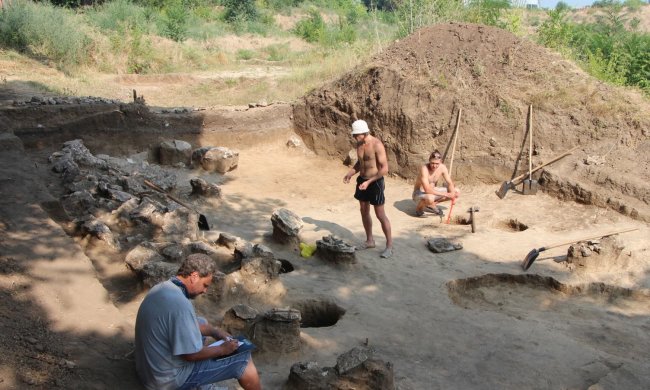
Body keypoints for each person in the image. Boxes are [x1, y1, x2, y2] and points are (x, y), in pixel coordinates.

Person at [135, 253, 262, 390]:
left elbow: (188, 325)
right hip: (166, 380)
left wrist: (215, 331)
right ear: (194, 276)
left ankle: (203, 385)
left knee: (201, 321)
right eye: (205, 285)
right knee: (243, 360)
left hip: (148, 370)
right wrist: (222, 349)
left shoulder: (163, 288)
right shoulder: (181, 306)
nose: (205, 290)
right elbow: (191, 355)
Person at [343, 119, 393, 258]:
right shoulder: (358, 144)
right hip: (362, 180)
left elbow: (384, 169)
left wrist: (370, 181)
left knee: (380, 214)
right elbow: (360, 163)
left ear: (364, 133)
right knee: (364, 211)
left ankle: (389, 246)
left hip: (375, 181)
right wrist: (350, 173)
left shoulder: (377, 145)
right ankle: (370, 240)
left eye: (356, 134)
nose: (354, 137)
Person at [412, 150, 460, 217]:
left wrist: (452, 194)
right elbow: (427, 190)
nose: (434, 166)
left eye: (437, 163)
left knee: (456, 191)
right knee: (430, 197)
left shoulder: (442, 167)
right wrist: (446, 194)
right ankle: (419, 209)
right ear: (429, 161)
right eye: (432, 163)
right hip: (419, 194)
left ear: (440, 162)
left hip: (432, 192)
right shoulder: (424, 169)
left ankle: (431, 204)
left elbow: (449, 182)